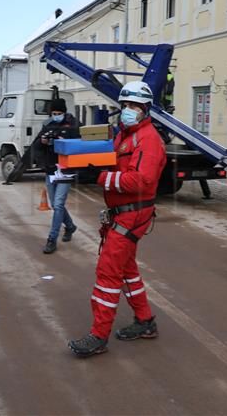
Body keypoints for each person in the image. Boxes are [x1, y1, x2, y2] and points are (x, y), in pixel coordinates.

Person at [68, 81, 166, 358]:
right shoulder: (124, 135)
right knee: (127, 270)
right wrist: (86, 163)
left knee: (108, 272)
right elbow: (112, 162)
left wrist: (98, 177)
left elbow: (140, 179)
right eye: (125, 105)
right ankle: (145, 322)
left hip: (133, 213)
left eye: (134, 106)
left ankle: (98, 336)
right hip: (123, 213)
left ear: (146, 109)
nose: (128, 110)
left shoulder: (147, 139)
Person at [33, 98, 80, 254]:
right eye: (54, 113)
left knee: (58, 204)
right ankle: (70, 226)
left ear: (64, 112)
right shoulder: (47, 124)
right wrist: (43, 141)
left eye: (59, 113)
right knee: (54, 204)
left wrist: (64, 142)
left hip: (66, 170)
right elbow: (36, 145)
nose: (56, 115)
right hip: (51, 170)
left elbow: (80, 144)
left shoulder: (73, 124)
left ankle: (52, 239)